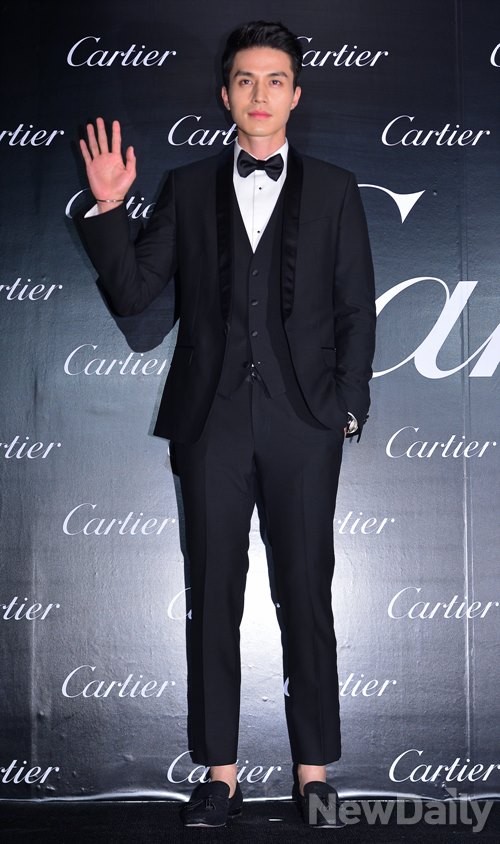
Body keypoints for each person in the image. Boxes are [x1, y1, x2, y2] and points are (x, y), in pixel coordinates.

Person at [77, 20, 376, 828]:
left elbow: (356, 308)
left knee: (305, 594)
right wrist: (110, 207)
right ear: (225, 94)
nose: (260, 94)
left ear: (296, 94)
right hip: (210, 424)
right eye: (246, 79)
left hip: (305, 423)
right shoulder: (186, 187)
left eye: (275, 79)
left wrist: (345, 409)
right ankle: (220, 774)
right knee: (212, 596)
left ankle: (314, 772)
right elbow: (137, 299)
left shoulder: (337, 188)